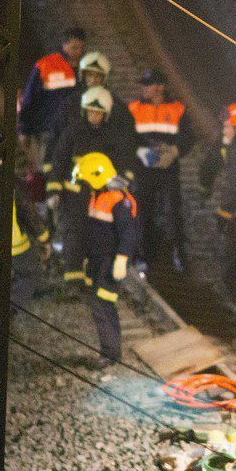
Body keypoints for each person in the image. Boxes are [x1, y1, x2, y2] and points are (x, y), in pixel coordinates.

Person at [50, 86, 137, 294]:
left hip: (103, 197)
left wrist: (122, 182)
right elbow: (59, 161)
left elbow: (126, 162)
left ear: (105, 114)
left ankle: (95, 279)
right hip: (75, 195)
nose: (94, 116)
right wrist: (53, 191)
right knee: (74, 235)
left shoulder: (114, 136)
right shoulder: (72, 132)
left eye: (98, 113)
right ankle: (73, 283)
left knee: (99, 236)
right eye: (90, 111)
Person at [0, 132, 51, 324]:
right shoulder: (13, 181)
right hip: (15, 248)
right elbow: (29, 214)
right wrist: (43, 238)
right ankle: (8, 312)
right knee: (31, 275)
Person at [74, 152, 140, 367]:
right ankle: (110, 353)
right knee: (101, 306)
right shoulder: (99, 194)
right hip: (97, 261)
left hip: (109, 262)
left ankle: (110, 354)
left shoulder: (119, 201)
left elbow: (129, 233)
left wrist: (121, 259)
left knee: (103, 306)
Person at [128, 69, 194, 267]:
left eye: (148, 85)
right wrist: (138, 152)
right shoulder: (133, 109)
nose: (144, 89)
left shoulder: (178, 110)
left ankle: (179, 254)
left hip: (167, 169)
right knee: (141, 211)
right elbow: (126, 136)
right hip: (143, 169)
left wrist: (175, 150)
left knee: (173, 211)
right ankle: (142, 254)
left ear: (160, 87)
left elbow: (188, 137)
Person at [198, 103, 236, 310]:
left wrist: (223, 214)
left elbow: (235, 186)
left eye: (227, 127)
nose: (224, 131)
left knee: (234, 264)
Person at [17, 27, 86, 174]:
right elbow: (29, 100)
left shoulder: (86, 68)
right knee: (50, 171)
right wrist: (24, 130)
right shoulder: (46, 66)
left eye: (81, 48)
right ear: (64, 45)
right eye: (74, 47)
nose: (78, 52)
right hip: (48, 131)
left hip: (77, 131)